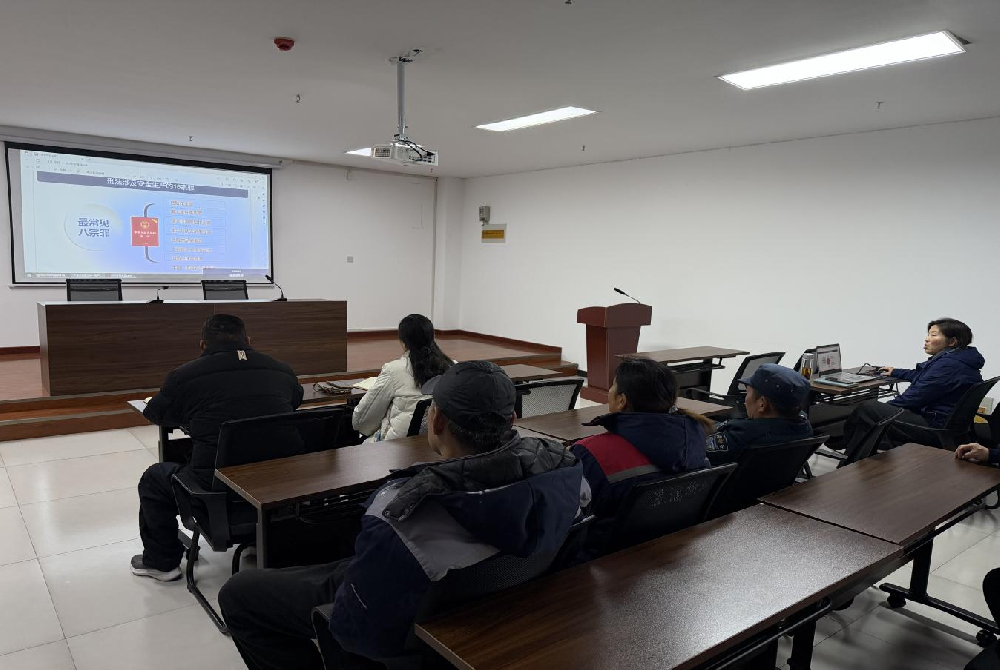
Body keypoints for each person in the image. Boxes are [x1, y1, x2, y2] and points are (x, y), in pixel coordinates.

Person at [219, 361, 585, 669]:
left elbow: (358, 633)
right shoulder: (569, 477)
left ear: (436, 420)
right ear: (513, 419)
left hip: (408, 611)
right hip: (487, 601)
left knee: (239, 594)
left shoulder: (402, 515)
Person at [131, 314, 303, 582]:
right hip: (281, 485)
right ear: (248, 341)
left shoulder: (184, 376)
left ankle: (162, 563)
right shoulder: (281, 370)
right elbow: (294, 401)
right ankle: (260, 536)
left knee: (154, 478)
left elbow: (156, 413)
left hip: (218, 492)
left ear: (203, 345)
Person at [569, 357, 712, 558]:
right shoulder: (695, 440)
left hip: (605, 561)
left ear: (622, 401)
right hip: (672, 549)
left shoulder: (591, 453)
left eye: (613, 385)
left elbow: (568, 516)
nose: (610, 390)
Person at [843, 318, 984, 449]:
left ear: (952, 342)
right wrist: (895, 372)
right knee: (872, 414)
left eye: (934, 335)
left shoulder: (948, 366)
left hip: (935, 429)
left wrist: (884, 410)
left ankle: (847, 446)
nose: (927, 339)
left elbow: (912, 399)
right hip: (951, 428)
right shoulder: (961, 359)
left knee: (867, 409)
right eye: (928, 334)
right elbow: (927, 377)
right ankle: (860, 452)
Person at [352, 314, 453, 442]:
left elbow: (361, 420)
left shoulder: (394, 370)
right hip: (438, 444)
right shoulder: (451, 367)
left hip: (396, 447)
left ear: (403, 342)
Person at [706, 364, 814, 466]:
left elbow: (700, 451)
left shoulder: (742, 436)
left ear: (762, 404)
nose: (744, 401)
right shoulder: (805, 428)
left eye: (747, 393)